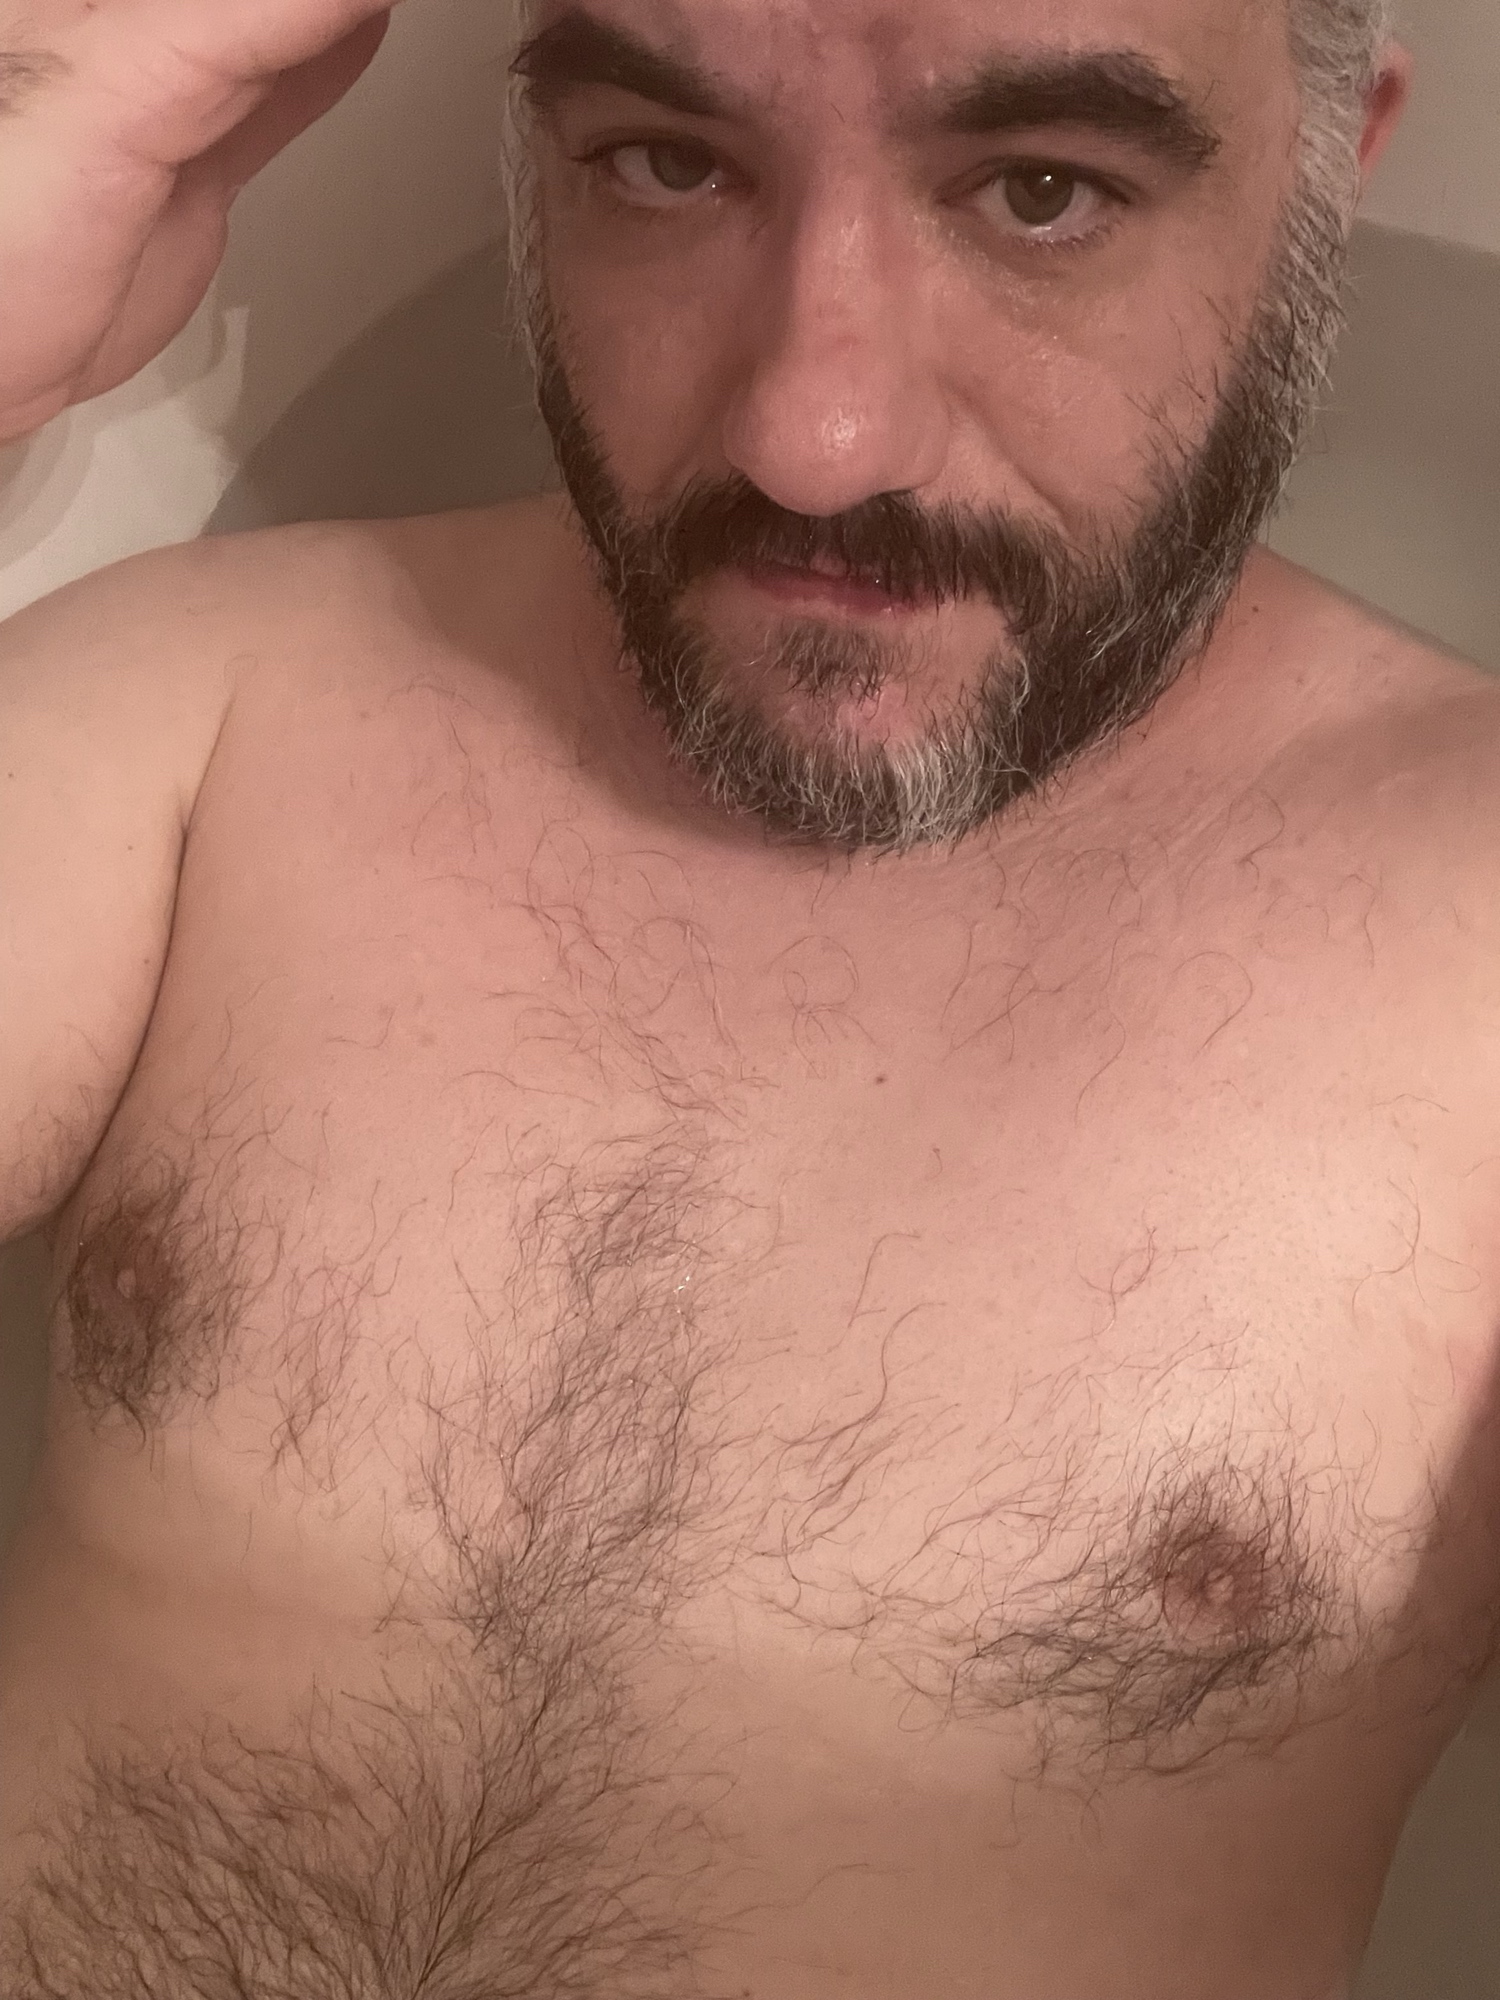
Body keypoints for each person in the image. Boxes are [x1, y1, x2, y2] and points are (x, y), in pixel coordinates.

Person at [0, 0, 1495, 1991]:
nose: (815, 433)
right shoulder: (215, 707)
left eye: (1042, 192)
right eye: (666, 162)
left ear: (1331, 170)